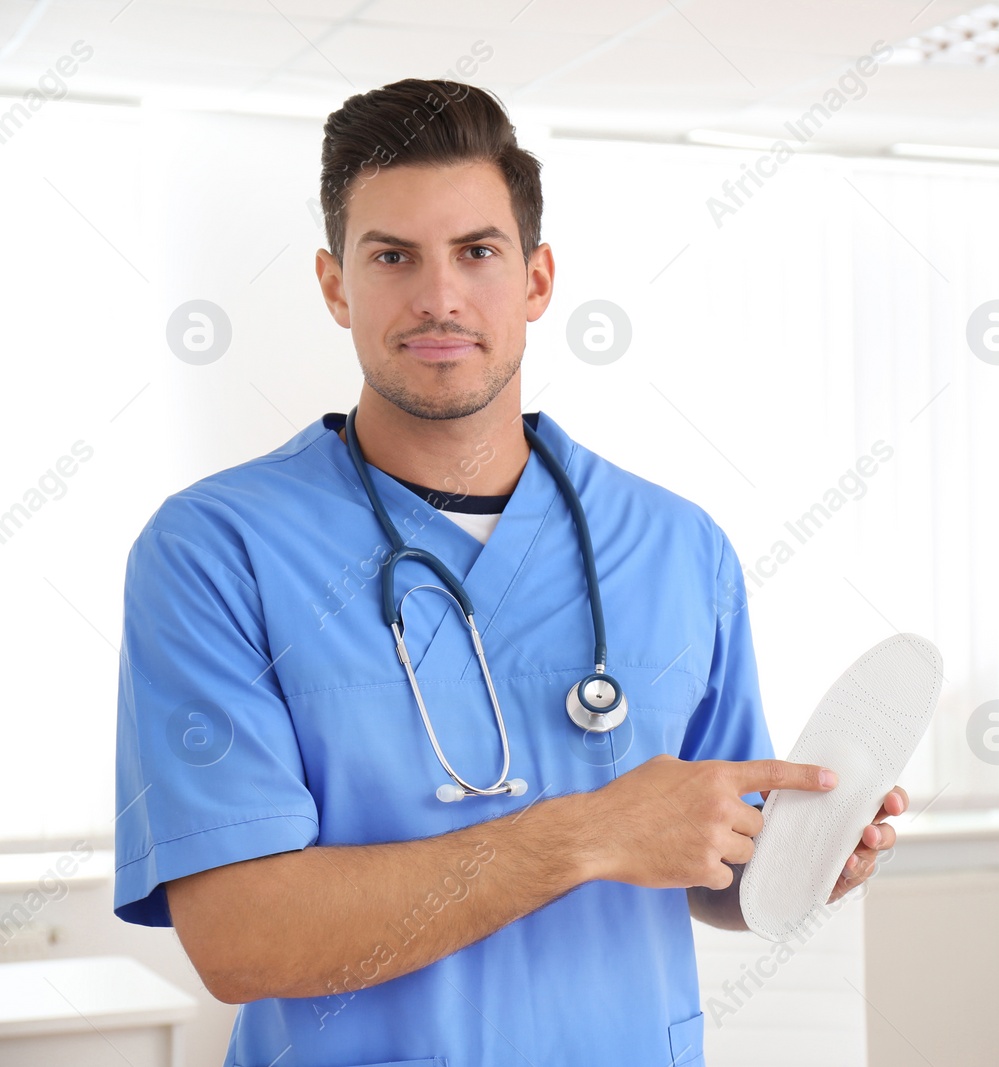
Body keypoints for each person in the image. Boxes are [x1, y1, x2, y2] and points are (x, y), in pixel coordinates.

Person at [113, 77, 906, 1067]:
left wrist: (807, 858)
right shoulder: (216, 549)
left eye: (477, 252)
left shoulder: (676, 547)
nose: (439, 295)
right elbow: (240, 936)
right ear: (333, 284)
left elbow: (710, 868)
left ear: (535, 280)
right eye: (392, 255)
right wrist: (581, 835)